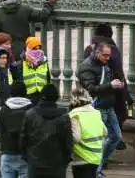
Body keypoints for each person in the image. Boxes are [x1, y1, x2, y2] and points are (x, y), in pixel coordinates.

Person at [78, 42, 123, 176]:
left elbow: (105, 84)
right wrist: (111, 85)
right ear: (97, 53)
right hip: (97, 108)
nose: (108, 58)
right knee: (99, 140)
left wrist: (116, 85)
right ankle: (96, 171)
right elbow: (91, 89)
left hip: (108, 106)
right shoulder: (86, 67)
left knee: (116, 136)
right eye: (105, 55)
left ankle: (99, 165)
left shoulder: (103, 63)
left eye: (109, 55)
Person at [0, 0, 58, 74]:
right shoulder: (24, 9)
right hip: (25, 51)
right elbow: (42, 15)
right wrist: (50, 1)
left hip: (7, 52)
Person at [21, 85, 72, 178]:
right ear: (56, 97)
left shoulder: (30, 114)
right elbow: (68, 143)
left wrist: (29, 159)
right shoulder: (63, 116)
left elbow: (23, 140)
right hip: (57, 165)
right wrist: (64, 161)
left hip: (35, 164)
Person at [0, 81, 32, 178]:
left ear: (11, 93)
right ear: (25, 93)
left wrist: (0, 149)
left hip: (7, 153)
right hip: (26, 155)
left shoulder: (1, 110)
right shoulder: (32, 110)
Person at [68, 87, 106, 178]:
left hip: (81, 158)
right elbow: (105, 132)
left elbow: (76, 138)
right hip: (96, 157)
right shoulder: (96, 113)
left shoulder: (74, 115)